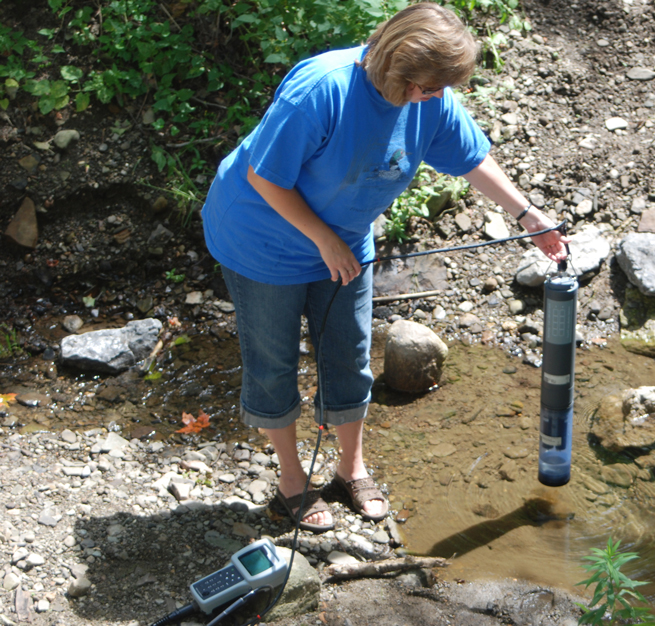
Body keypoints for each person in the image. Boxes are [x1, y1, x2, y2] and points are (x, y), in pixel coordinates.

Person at [201, 2, 568, 532]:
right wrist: (324, 240)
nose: (435, 99)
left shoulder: (431, 98)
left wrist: (528, 214)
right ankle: (291, 482)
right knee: (273, 360)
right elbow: (265, 178)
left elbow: (470, 158)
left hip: (343, 239)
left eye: (440, 89)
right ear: (396, 66)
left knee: (349, 354)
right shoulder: (322, 89)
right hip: (260, 239)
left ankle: (351, 469)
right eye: (425, 87)